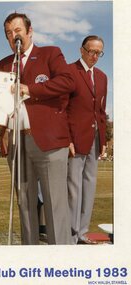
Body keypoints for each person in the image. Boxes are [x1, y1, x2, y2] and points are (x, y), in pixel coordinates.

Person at [0, 12, 75, 245]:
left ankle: (61, 262)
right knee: (25, 203)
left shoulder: (50, 53)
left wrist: (30, 89)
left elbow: (67, 82)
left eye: (18, 30)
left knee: (55, 203)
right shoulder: (2, 65)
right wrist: (2, 129)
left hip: (48, 141)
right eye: (9, 33)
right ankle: (29, 256)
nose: (14, 36)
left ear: (29, 32)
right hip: (16, 142)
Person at [67, 35, 107, 244]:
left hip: (95, 139)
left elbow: (101, 111)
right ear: (81, 50)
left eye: (99, 53)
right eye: (91, 51)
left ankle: (82, 232)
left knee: (89, 188)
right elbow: (61, 109)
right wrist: (67, 139)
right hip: (75, 140)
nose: (94, 56)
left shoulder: (102, 77)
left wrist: (104, 140)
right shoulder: (69, 71)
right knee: (74, 189)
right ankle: (71, 236)